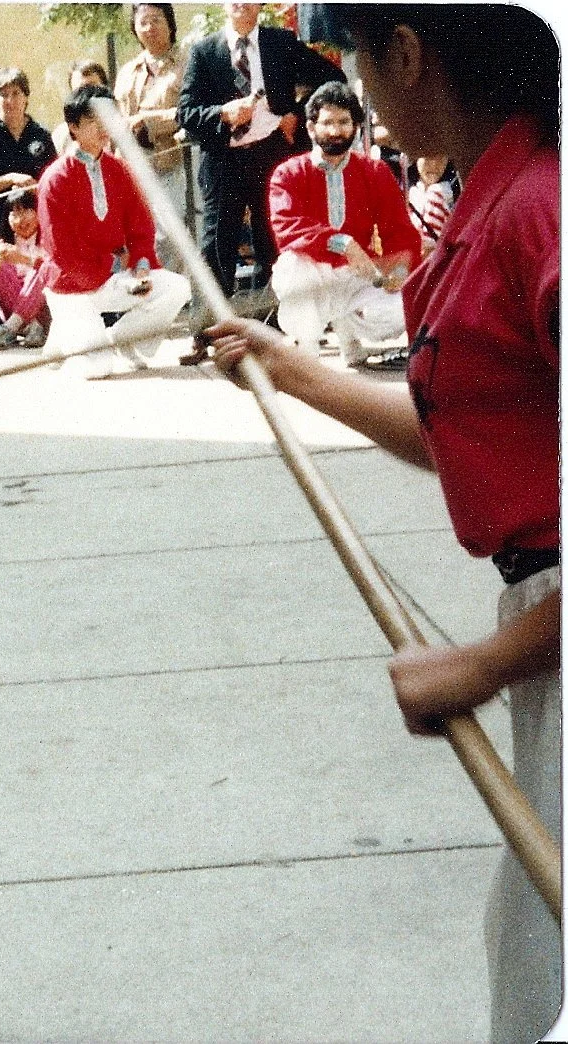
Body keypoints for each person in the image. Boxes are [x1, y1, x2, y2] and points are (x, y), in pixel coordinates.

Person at [209, 7, 559, 1040]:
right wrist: (286, 370)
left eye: (359, 56)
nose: (355, 85)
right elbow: (462, 426)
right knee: (529, 952)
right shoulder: (490, 197)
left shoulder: (540, 213)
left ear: (406, 51)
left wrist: (487, 661)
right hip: (544, 619)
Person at [177, 3, 344, 299]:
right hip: (224, 159)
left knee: (273, 239)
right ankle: (210, 328)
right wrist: (224, 114)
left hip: (271, 154)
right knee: (215, 247)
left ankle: (276, 323)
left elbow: (332, 78)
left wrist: (297, 112)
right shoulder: (204, 51)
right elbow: (186, 113)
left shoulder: (279, 42)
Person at [36, 84, 190, 378]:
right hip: (70, 286)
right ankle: (68, 336)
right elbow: (62, 252)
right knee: (97, 369)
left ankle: (124, 345)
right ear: (73, 127)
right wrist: (113, 273)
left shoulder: (119, 170)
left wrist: (141, 267)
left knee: (176, 287)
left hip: (113, 280)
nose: (104, 127)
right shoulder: (54, 179)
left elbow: (141, 229)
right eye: (94, 120)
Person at [267, 80, 418, 366]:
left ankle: (349, 336)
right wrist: (344, 243)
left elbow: (400, 232)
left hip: (357, 276)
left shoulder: (375, 172)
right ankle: (306, 353)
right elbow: (287, 226)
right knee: (290, 266)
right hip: (312, 272)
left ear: (356, 126)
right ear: (311, 128)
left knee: (408, 304)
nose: (336, 131)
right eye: (327, 123)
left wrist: (397, 271)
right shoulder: (288, 173)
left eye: (344, 122)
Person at [115, 4, 189, 272]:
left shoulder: (187, 62)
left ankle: (177, 297)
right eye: (143, 22)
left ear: (170, 23)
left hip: (175, 162)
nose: (150, 28)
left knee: (171, 235)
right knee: (138, 235)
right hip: (136, 167)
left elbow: (190, 112)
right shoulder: (127, 72)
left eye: (156, 20)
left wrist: (149, 121)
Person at [0, 68, 57, 265]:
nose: (10, 100)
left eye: (16, 93)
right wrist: (12, 178)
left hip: (34, 218)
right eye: (3, 95)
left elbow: (52, 178)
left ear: (26, 97)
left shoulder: (41, 134)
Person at [0, 188, 49, 350]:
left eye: (26, 211)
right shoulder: (1, 247)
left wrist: (26, 260)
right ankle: (31, 326)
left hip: (44, 310)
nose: (20, 220)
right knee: (1, 266)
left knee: (44, 267)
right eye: (14, 214)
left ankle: (10, 329)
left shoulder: (49, 241)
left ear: (38, 212)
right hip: (12, 310)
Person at [51, 59, 109, 157]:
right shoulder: (62, 136)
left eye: (92, 88)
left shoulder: (122, 129)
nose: (87, 96)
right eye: (79, 91)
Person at [407, 155, 455, 258]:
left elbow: (427, 252)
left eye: (440, 157)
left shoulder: (439, 193)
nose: (433, 165)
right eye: (427, 156)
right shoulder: (413, 192)